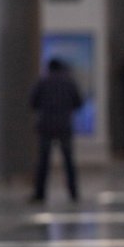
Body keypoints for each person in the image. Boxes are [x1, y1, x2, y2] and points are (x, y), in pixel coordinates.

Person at [29, 58, 84, 203]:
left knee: (43, 161)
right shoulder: (69, 82)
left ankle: (40, 193)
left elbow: (32, 102)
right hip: (64, 125)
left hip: (46, 126)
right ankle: (73, 192)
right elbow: (78, 102)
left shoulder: (42, 82)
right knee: (68, 161)